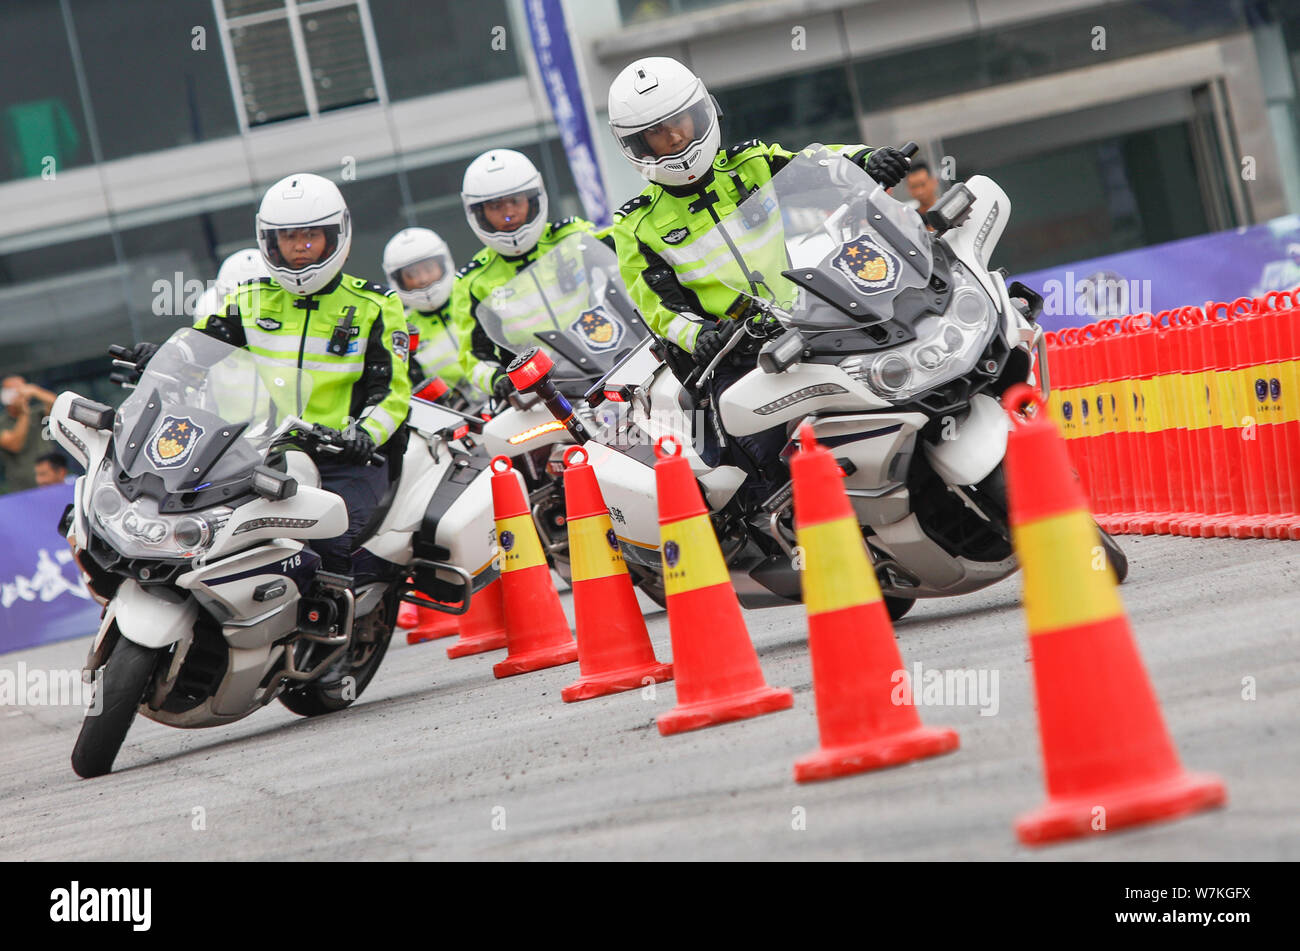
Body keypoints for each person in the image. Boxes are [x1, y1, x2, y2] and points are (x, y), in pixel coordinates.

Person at [605, 56, 911, 495]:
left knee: (885, 389)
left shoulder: (751, 164)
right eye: (658, 133)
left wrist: (867, 160)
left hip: (812, 322)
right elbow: (658, 308)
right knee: (771, 462)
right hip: (733, 355)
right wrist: (701, 336)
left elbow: (818, 163)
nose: (675, 139)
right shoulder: (637, 224)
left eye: (682, 123)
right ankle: (784, 532)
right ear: (638, 146)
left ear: (703, 114)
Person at [138, 172, 411, 580]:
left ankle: (333, 629)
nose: (300, 248)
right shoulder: (250, 299)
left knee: (328, 540)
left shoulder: (374, 305)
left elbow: (391, 393)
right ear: (270, 242)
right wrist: (162, 357)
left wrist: (364, 435)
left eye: (311, 236)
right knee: (222, 533)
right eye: (288, 238)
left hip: (349, 457)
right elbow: (200, 344)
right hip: (274, 450)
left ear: (336, 237)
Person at [451, 149, 600, 400]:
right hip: (540, 391)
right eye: (496, 206)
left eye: (516, 201)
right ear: (478, 212)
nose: (508, 214)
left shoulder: (573, 236)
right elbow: (473, 356)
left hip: (607, 359)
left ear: (533, 200)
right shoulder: (472, 282)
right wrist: (497, 378)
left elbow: (628, 274)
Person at [381, 227, 481, 405]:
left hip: (504, 394)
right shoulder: (401, 329)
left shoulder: (471, 297)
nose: (422, 279)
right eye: (411, 274)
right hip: (457, 417)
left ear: (444, 263)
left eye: (428, 268)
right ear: (397, 279)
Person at [1, 376, 58, 495]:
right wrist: (24, 412)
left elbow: (58, 406)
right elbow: (15, 444)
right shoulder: (3, 422)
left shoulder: (37, 413)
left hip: (53, 484)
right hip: (23, 490)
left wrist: (35, 391)